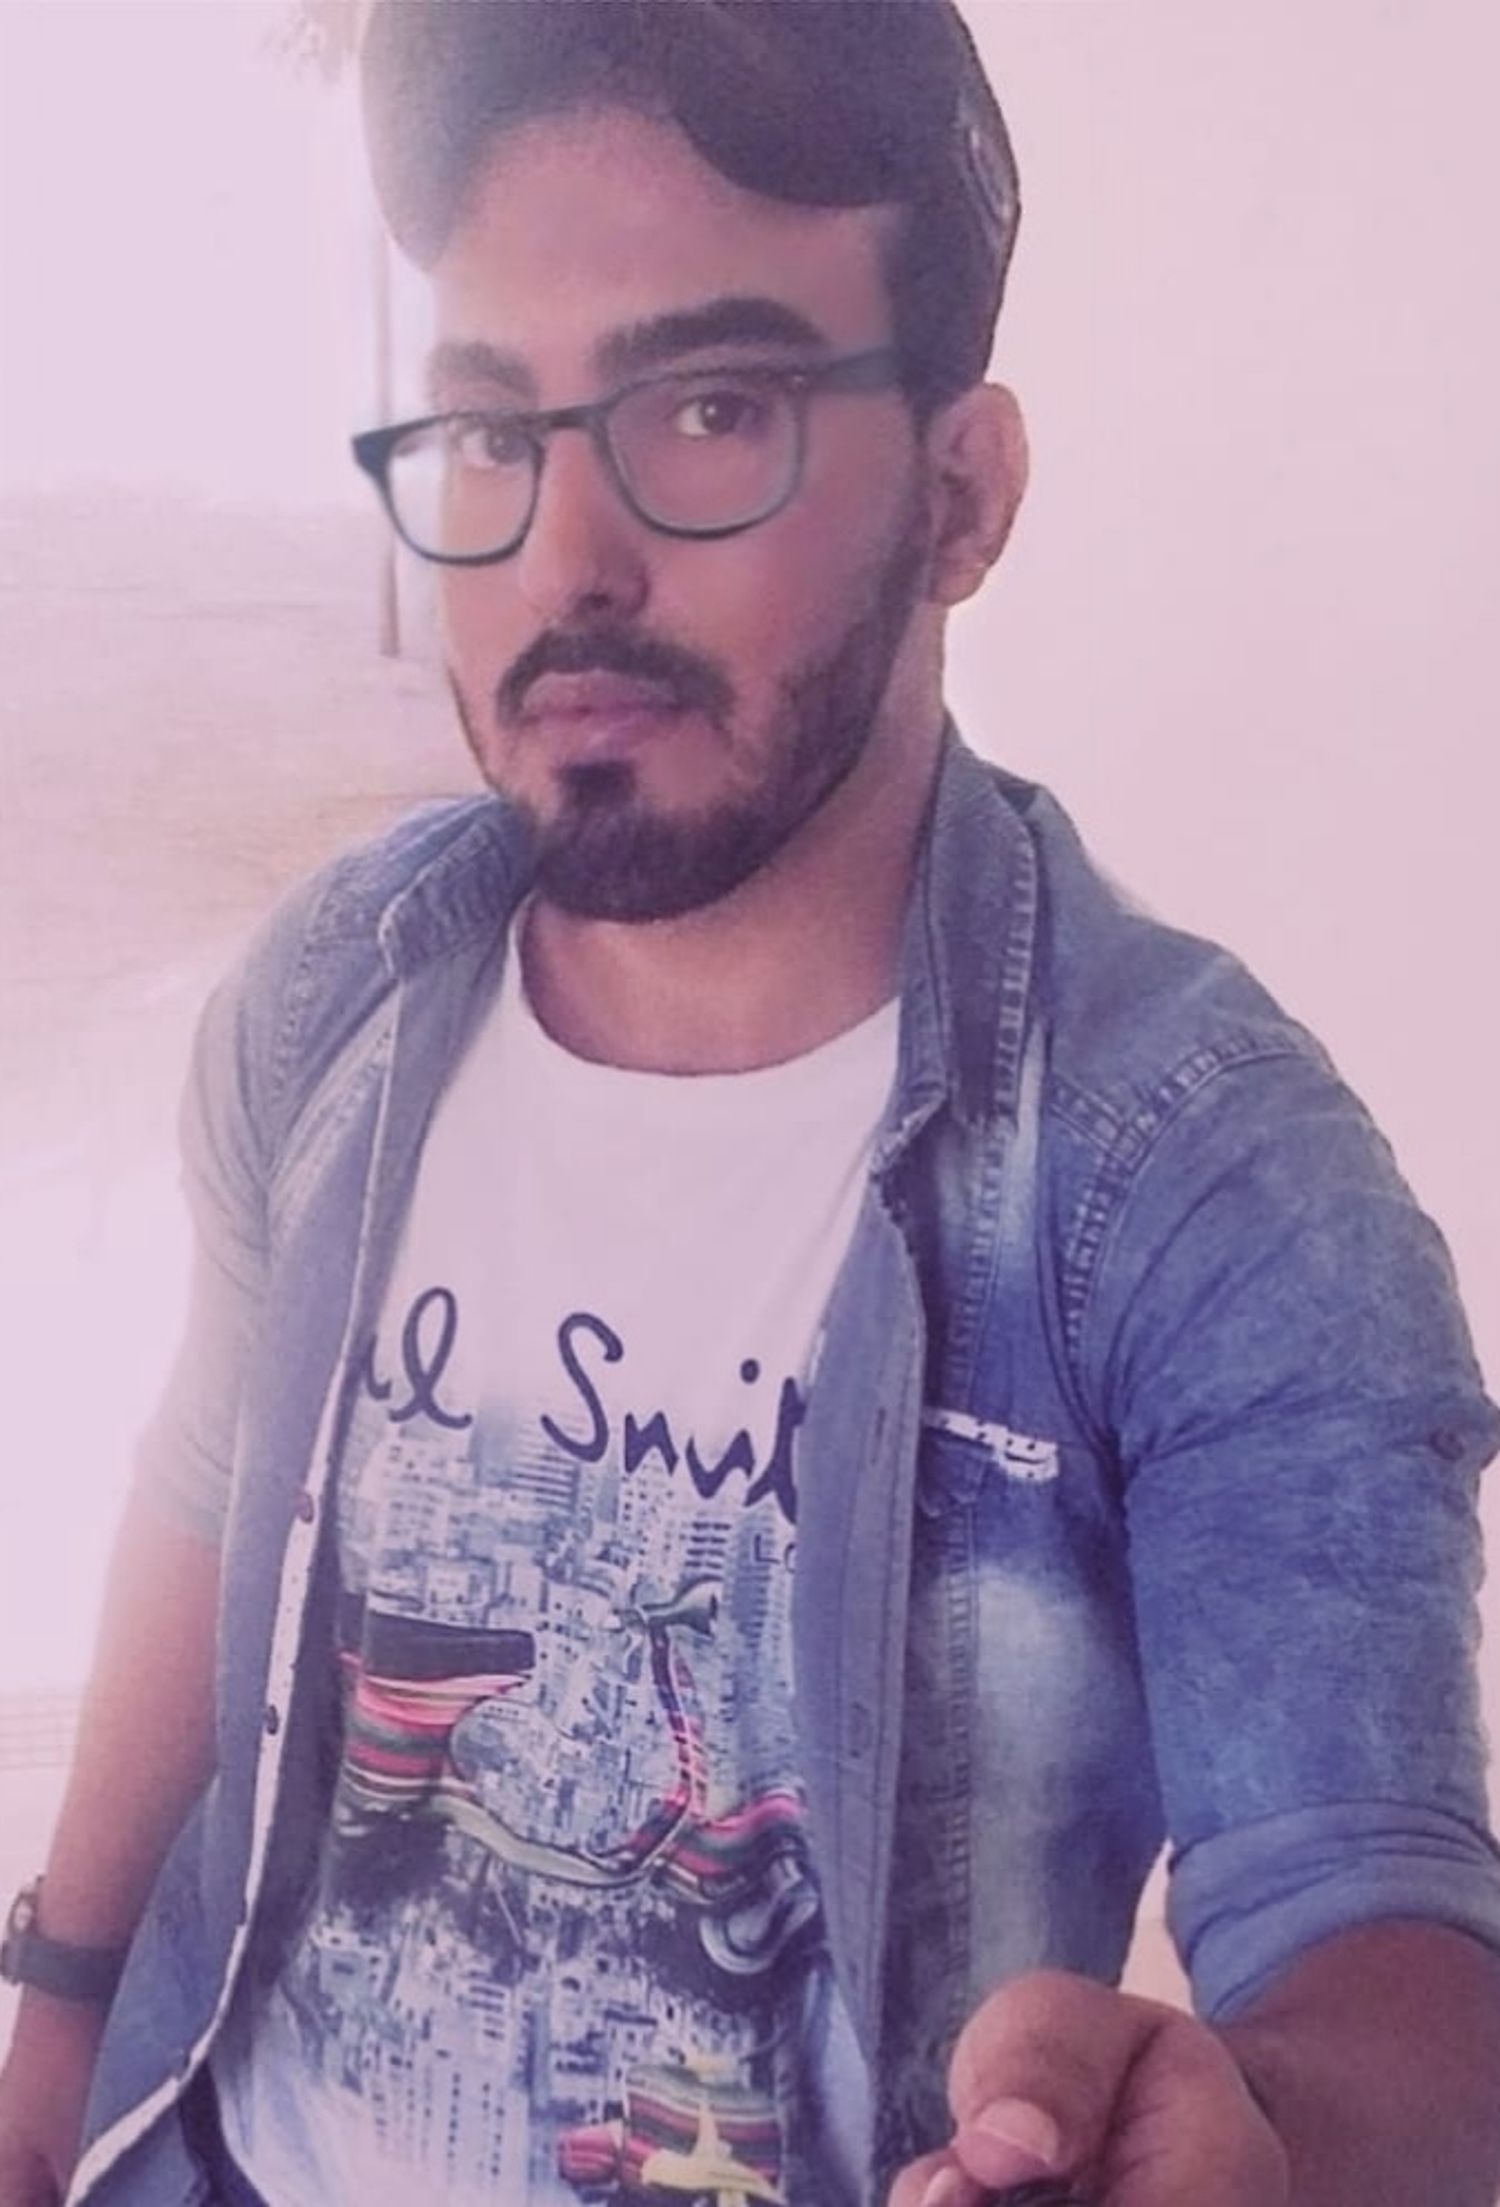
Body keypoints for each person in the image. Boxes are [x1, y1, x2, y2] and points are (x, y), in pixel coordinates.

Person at [3, 4, 1500, 2203]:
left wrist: (1265, 2129)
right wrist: (53, 2015)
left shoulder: (1203, 1187)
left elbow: (1391, 1949)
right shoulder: (341, 992)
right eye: (491, 430)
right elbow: (217, 1476)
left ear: (964, 494)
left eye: (710, 410)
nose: (566, 559)